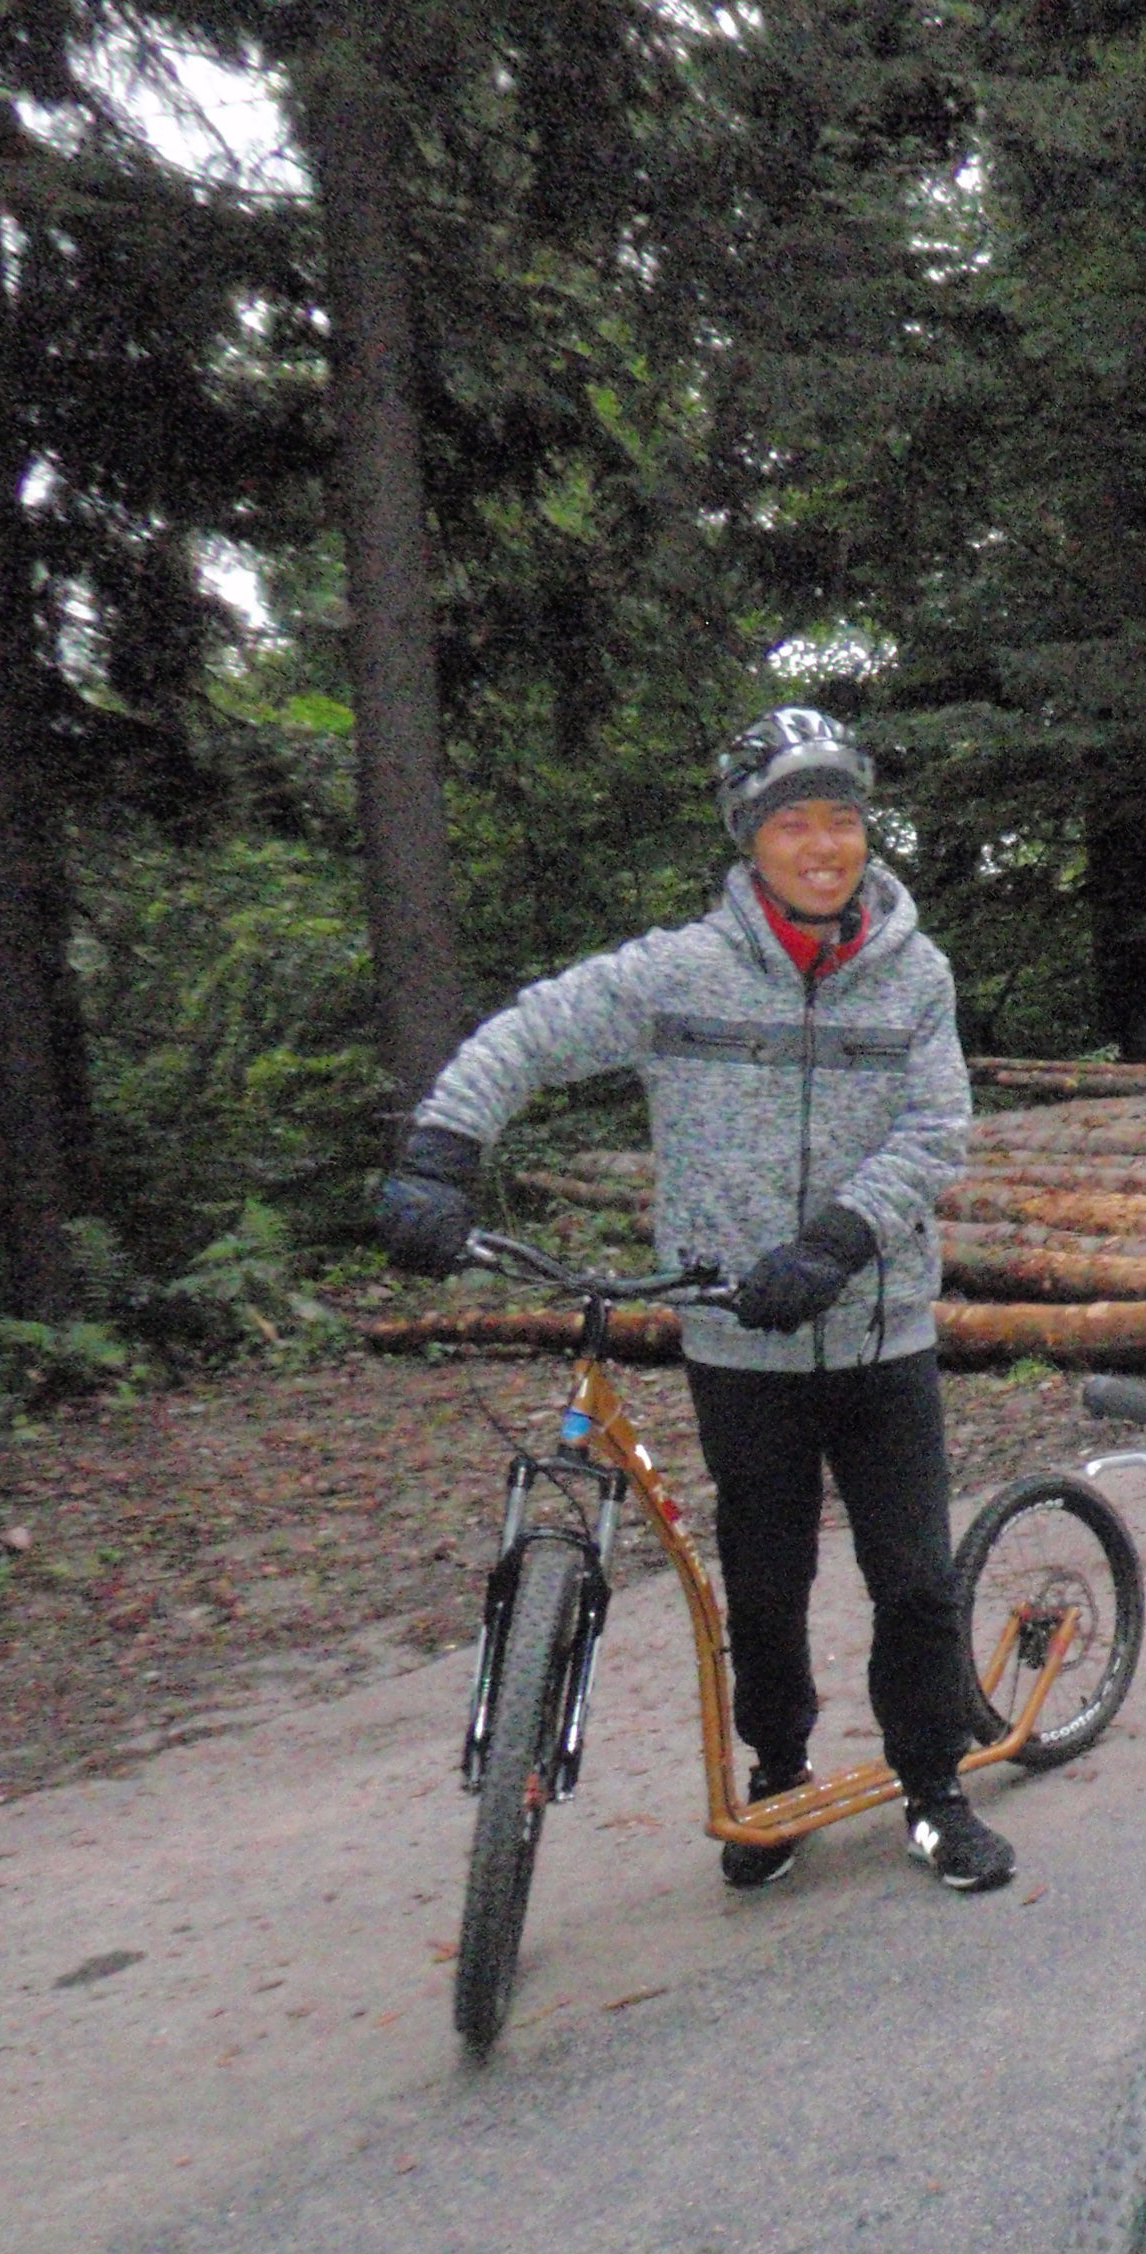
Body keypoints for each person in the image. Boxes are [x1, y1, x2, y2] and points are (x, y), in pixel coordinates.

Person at [374, 708, 1012, 1891]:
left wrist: (834, 1243)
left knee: (914, 1582)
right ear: (748, 838)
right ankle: (780, 1778)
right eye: (793, 822)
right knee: (763, 1593)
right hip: (737, 1342)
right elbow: (533, 1032)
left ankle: (934, 1790)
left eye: (842, 819)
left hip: (880, 1334)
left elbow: (936, 1131)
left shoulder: (915, 974)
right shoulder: (680, 972)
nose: (823, 845)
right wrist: (441, 1149)